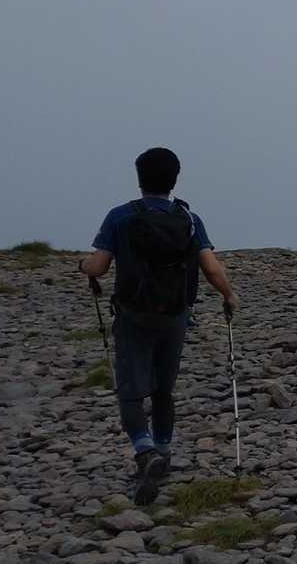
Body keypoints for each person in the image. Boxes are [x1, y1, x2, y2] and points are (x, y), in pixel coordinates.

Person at [80, 147, 238, 506]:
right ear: (175, 179)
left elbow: (98, 267)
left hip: (133, 314)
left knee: (131, 389)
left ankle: (144, 449)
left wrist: (82, 266)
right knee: (164, 388)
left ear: (139, 178)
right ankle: (163, 450)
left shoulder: (120, 216)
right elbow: (211, 268)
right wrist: (229, 296)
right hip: (175, 314)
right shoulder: (189, 219)